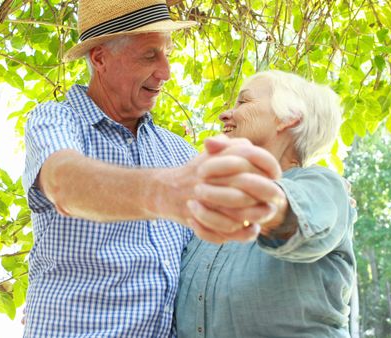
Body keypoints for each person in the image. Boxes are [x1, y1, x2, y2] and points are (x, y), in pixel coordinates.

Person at [21, 0, 284, 336]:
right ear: (99, 58)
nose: (166, 72)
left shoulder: (178, 152)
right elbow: (64, 183)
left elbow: (220, 256)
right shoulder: (56, 120)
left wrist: (300, 190)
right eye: (149, 55)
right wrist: (164, 192)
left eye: (167, 53)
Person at [175, 70, 358, 337]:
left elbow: (290, 219)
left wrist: (253, 193)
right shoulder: (210, 214)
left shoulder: (324, 186)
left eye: (244, 102)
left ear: (288, 118)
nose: (225, 114)